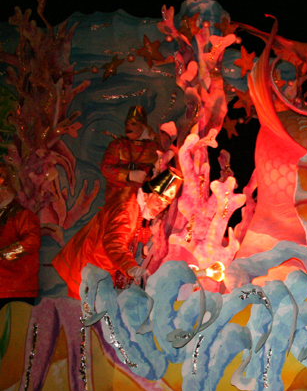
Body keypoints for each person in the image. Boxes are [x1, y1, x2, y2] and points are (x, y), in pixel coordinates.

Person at [52, 167, 182, 299]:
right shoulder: (126, 211)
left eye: (164, 206)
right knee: (85, 311)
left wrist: (150, 231)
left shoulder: (134, 197)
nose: (160, 209)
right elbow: (115, 243)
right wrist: (132, 269)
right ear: (150, 193)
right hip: (91, 267)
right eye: (159, 202)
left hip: (93, 264)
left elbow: (134, 228)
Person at [0, 164, 41, 309]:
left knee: (15, 329)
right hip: (5, 287)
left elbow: (32, 241)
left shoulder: (22, 215)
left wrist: (5, 254)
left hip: (16, 288)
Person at [100, 106, 159, 201]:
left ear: (143, 126)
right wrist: (128, 175)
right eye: (126, 124)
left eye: (133, 124)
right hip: (118, 199)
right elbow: (106, 168)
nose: (128, 127)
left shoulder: (154, 148)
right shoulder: (118, 145)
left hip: (144, 200)